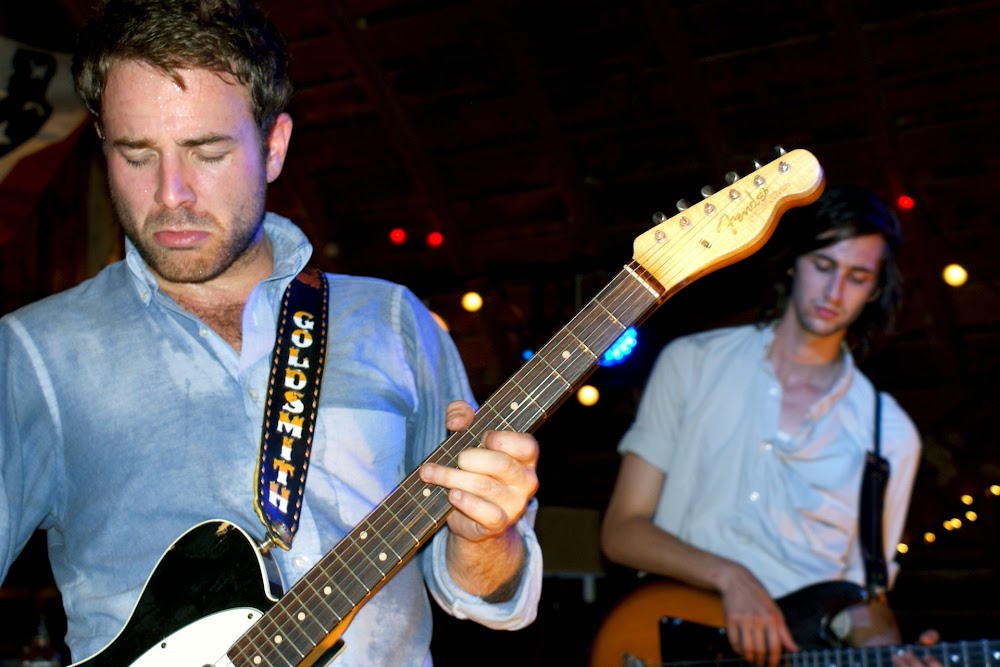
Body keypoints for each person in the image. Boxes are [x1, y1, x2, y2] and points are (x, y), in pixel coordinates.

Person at [0, 0, 541, 664]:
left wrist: (486, 539)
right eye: (135, 155)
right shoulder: (35, 353)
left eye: (207, 152)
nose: (171, 193)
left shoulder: (394, 323)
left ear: (274, 147)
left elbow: (486, 595)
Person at [599, 185, 933, 667]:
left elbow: (865, 601)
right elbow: (621, 532)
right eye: (824, 265)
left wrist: (889, 656)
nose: (834, 292)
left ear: (875, 290)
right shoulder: (691, 364)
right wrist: (731, 577)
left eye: (857, 277)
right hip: (677, 639)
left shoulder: (891, 434)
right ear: (795, 261)